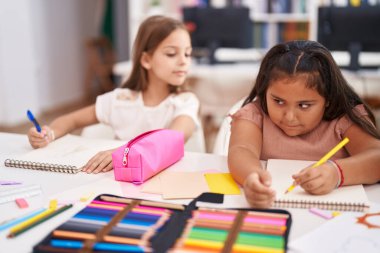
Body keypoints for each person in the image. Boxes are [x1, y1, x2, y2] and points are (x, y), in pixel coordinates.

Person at [27, 15, 200, 174]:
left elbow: (172, 139)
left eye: (188, 53)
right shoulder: (120, 100)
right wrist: (48, 134)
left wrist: (124, 153)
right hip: (118, 184)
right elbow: (71, 120)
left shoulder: (186, 102)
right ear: (146, 60)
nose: (184, 61)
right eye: (172, 53)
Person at [228, 40, 380, 208]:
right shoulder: (255, 115)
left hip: (333, 218)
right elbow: (242, 150)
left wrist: (337, 173)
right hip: (276, 210)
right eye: (278, 101)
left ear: (328, 99)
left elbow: (376, 157)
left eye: (304, 105)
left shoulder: (345, 119)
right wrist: (251, 177)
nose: (290, 116)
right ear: (265, 91)